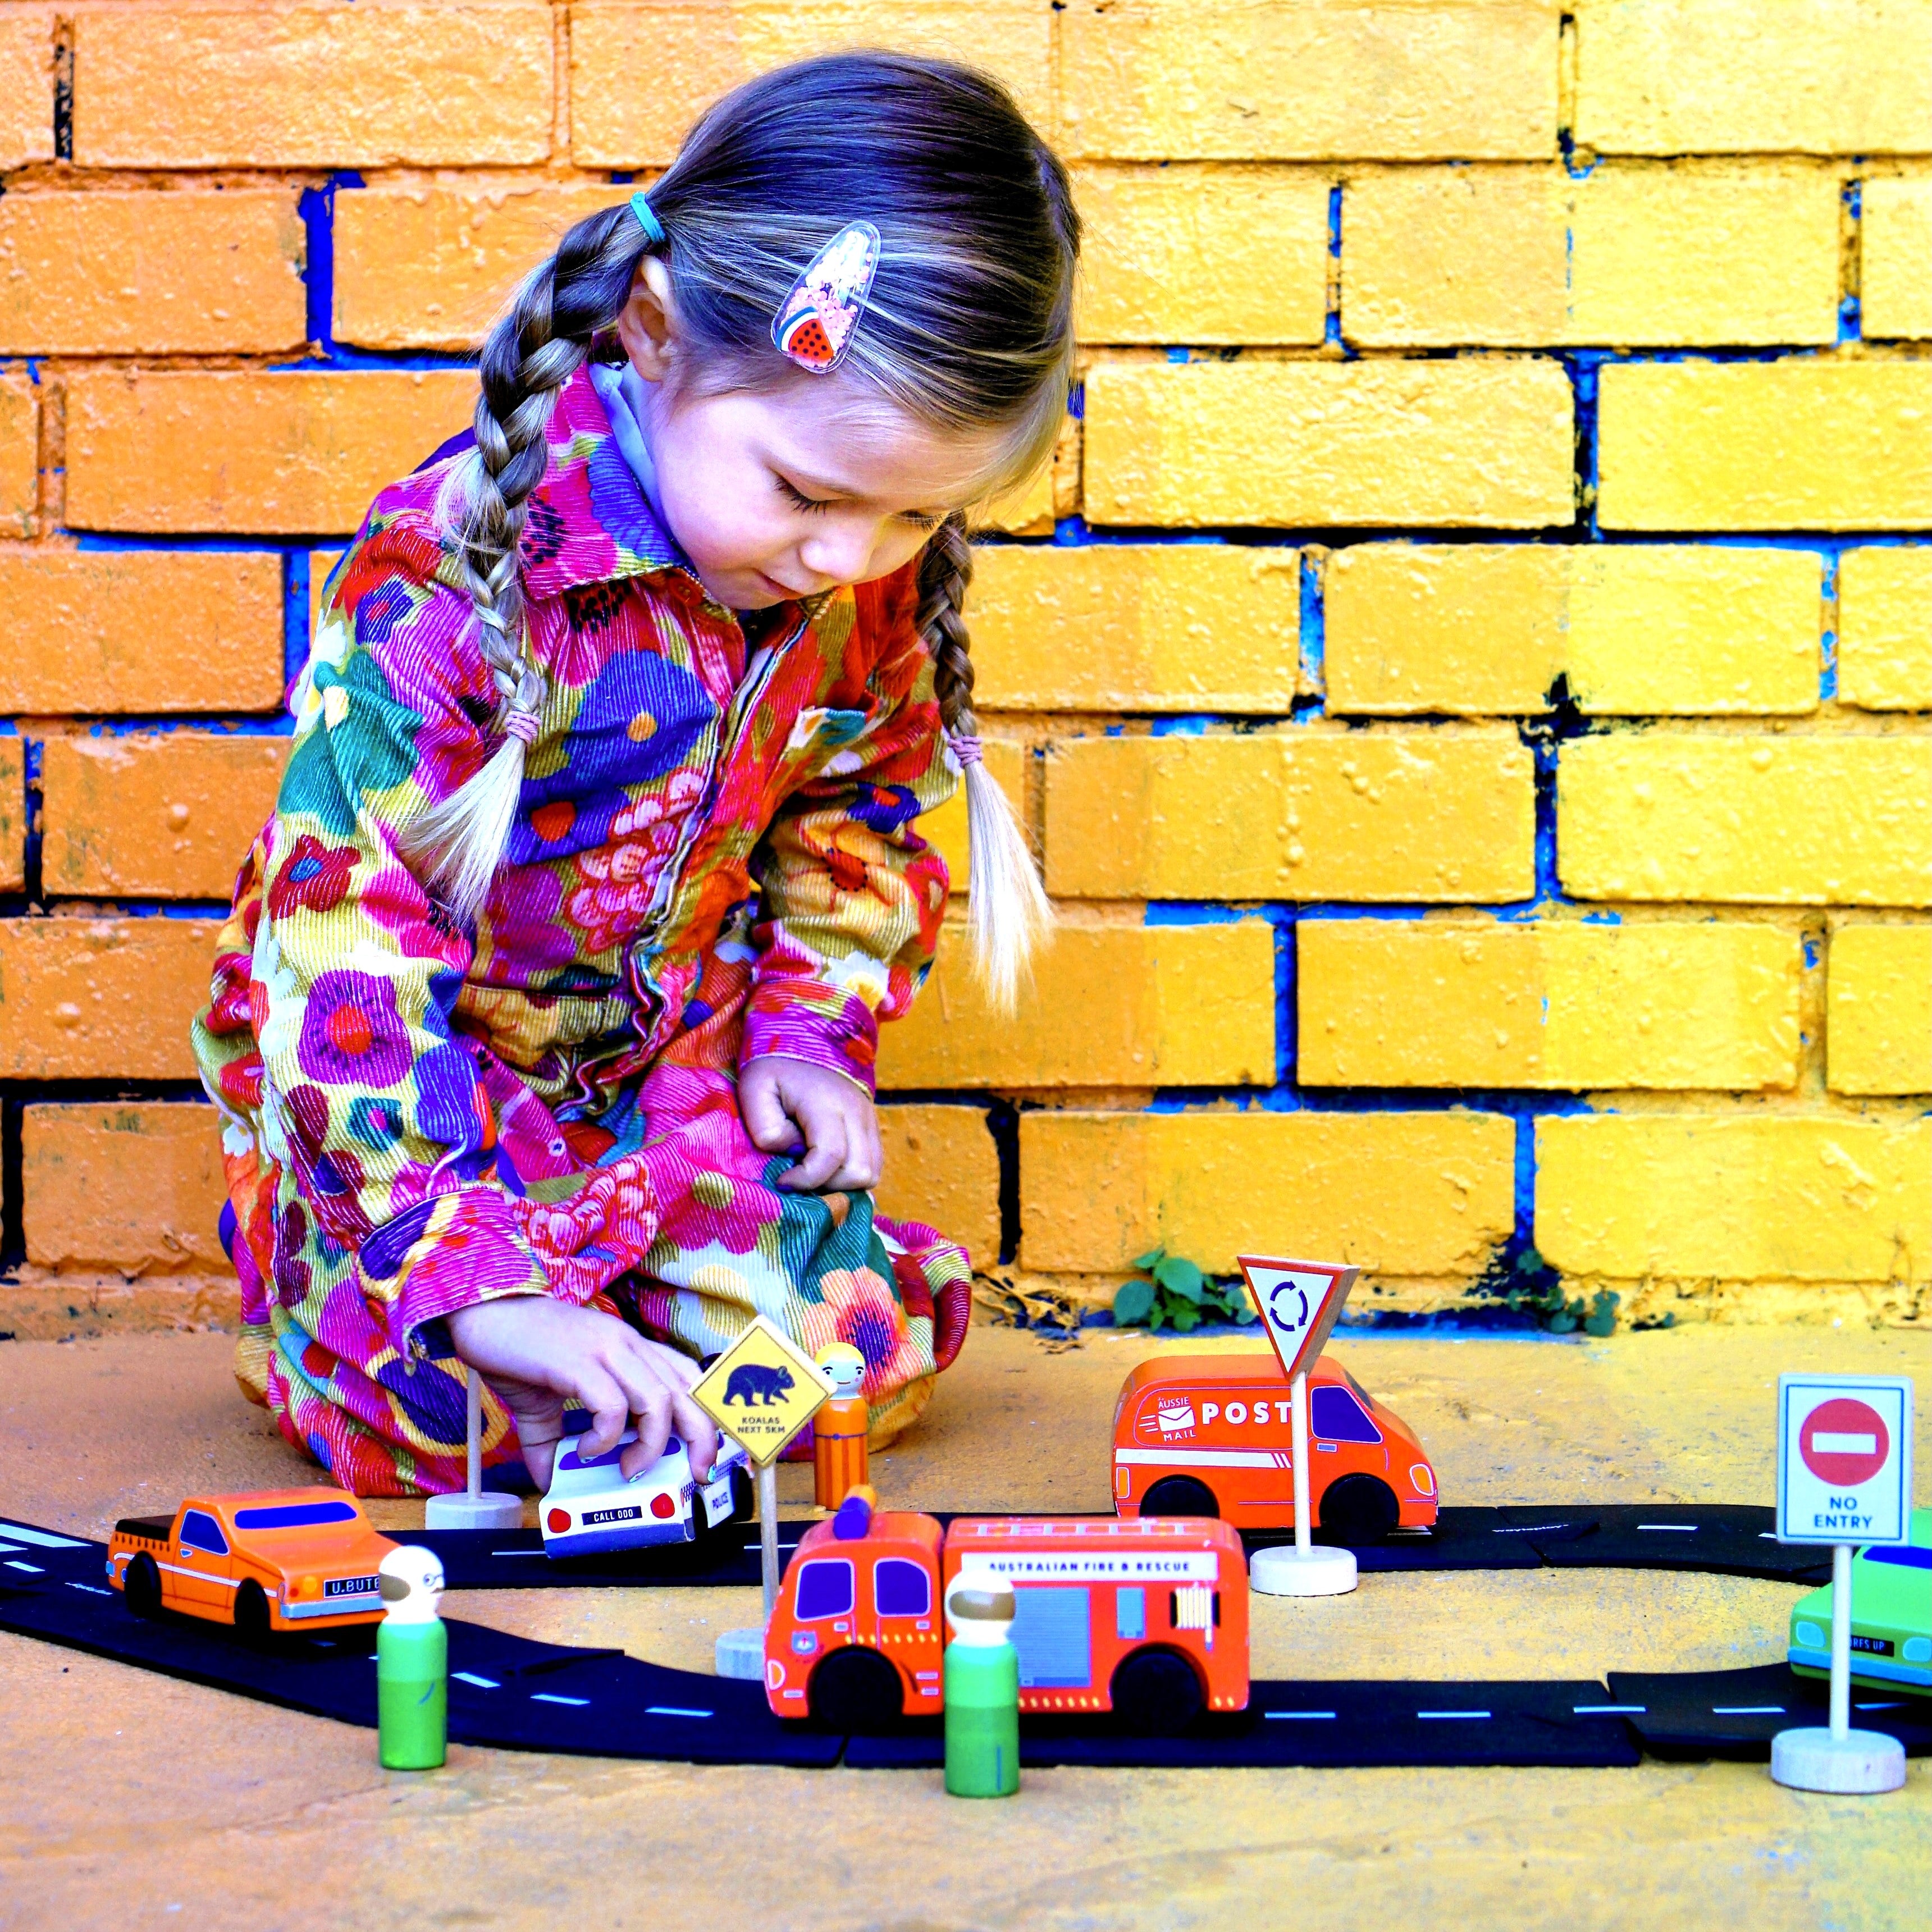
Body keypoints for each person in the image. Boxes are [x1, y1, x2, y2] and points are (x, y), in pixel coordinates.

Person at [193, 52, 1079, 1498]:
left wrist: (808, 1034)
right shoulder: (457, 568)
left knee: (824, 1374)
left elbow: (854, 813)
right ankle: (368, 1322)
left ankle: (621, 1328)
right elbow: (341, 936)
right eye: (803, 491)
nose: (849, 557)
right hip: (416, 1088)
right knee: (457, 1436)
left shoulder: (855, 593)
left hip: (664, 1081)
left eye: (918, 511)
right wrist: (472, 1277)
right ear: (653, 333)